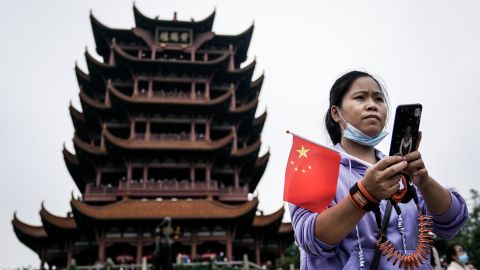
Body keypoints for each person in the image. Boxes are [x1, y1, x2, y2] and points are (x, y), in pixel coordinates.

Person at [289, 71, 469, 269]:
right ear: (335, 113)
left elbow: (452, 222)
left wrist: (424, 182)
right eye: (360, 97)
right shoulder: (312, 165)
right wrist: (364, 195)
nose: (372, 105)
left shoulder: (401, 170)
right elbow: (310, 240)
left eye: (379, 99)